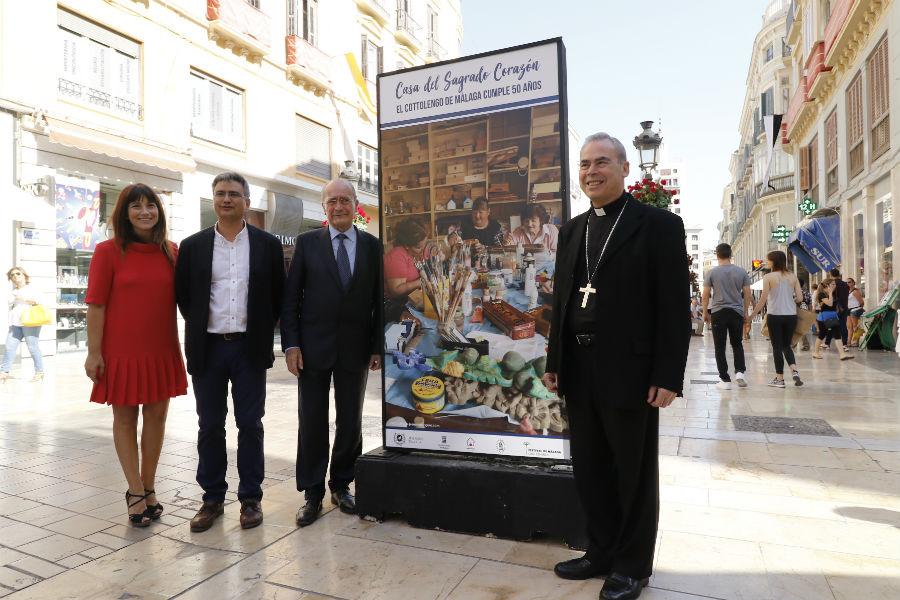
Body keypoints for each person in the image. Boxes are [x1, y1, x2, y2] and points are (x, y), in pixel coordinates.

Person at [543, 133, 690, 600]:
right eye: (584, 164)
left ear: (626, 169)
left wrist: (667, 374)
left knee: (632, 470)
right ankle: (601, 550)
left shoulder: (658, 225)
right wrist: (555, 360)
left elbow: (673, 306)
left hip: (630, 369)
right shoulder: (572, 230)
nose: (591, 171)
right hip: (579, 368)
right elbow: (563, 299)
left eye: (601, 162)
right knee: (589, 465)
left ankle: (632, 565)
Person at [175, 172, 285, 532]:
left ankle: (250, 499)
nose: (226, 199)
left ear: (247, 202)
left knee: (250, 425)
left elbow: (277, 296)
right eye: (220, 193)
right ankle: (211, 499)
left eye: (234, 194)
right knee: (209, 425)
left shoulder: (267, 245)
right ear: (213, 200)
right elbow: (185, 298)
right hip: (209, 349)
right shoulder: (193, 246)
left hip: (248, 349)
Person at [84, 184, 187, 527]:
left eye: (151, 206)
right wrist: (93, 353)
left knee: (156, 420)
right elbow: (96, 306)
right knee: (126, 420)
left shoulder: (172, 251)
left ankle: (149, 486)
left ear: (159, 211)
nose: (145, 212)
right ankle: (134, 492)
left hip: (161, 348)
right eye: (136, 206)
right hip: (121, 351)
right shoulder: (107, 251)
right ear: (124, 213)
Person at [281, 179, 382, 528]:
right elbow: (290, 299)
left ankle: (341, 484)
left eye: (345, 200)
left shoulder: (372, 246)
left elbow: (376, 301)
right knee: (311, 420)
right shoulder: (307, 243)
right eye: (332, 201)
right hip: (312, 349)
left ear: (356, 206)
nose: (338, 206)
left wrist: (376, 346)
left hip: (354, 349)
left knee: (351, 420)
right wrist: (291, 345)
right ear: (324, 208)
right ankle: (312, 493)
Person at [747, 251, 804, 388]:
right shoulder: (792, 277)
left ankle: (780, 379)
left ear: (774, 261)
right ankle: (794, 370)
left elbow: (763, 299)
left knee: (777, 347)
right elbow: (800, 298)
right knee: (787, 346)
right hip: (791, 316)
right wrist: (790, 301)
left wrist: (752, 316)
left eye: (768, 260)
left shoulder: (768, 277)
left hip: (775, 315)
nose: (766, 262)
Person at [701, 243, 751, 390]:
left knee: (719, 346)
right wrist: (745, 311)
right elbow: (747, 294)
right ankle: (740, 372)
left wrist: (705, 312)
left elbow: (705, 295)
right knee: (737, 343)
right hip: (736, 312)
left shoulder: (711, 273)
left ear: (717, 255)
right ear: (730, 254)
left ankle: (725, 379)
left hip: (718, 312)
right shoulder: (741, 272)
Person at [1, 267, 44, 383]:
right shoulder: (12, 292)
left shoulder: (32, 289)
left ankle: (39, 371)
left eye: (18, 273)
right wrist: (20, 298)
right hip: (15, 323)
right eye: (12, 275)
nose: (15, 276)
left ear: (24, 276)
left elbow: (37, 301)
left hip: (30, 322)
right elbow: (10, 302)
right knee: (9, 347)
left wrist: (22, 298)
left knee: (32, 347)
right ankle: (4, 372)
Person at [384, 218, 427, 314]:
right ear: (407, 245)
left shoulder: (412, 253)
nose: (422, 249)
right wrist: (421, 282)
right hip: (396, 307)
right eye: (419, 247)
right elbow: (396, 290)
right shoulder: (396, 256)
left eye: (424, 245)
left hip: (412, 300)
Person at [813, 279, 855, 361]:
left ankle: (842, 354)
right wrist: (830, 293)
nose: (835, 286)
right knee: (823, 334)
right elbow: (829, 303)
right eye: (832, 284)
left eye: (834, 284)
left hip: (832, 316)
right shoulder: (821, 294)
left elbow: (834, 305)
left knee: (834, 334)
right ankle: (816, 352)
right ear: (827, 285)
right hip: (824, 317)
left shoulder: (833, 293)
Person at [830, 268, 851, 351]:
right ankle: (844, 344)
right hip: (844, 307)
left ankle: (827, 343)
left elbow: (831, 295)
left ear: (831, 275)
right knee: (843, 325)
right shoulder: (845, 284)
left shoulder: (832, 284)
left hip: (835, 307)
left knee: (832, 325)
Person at [846, 277, 865, 347]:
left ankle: (855, 341)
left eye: (849, 282)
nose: (848, 283)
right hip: (849, 310)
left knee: (855, 326)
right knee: (849, 327)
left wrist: (858, 308)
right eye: (847, 282)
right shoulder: (847, 291)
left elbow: (861, 302)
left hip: (855, 310)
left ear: (853, 283)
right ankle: (849, 341)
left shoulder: (855, 291)